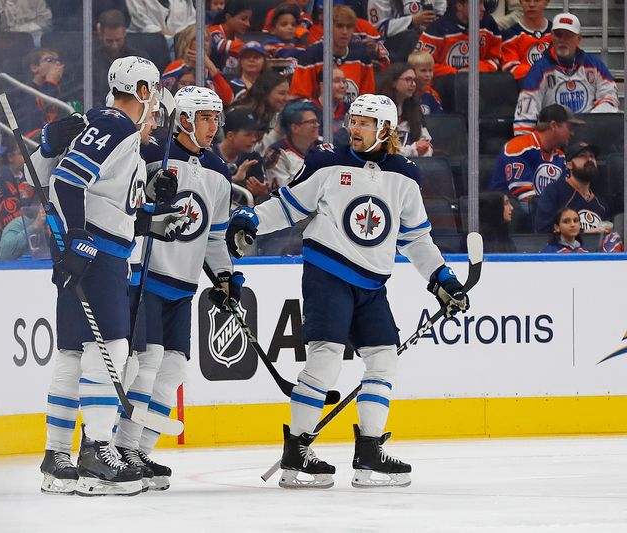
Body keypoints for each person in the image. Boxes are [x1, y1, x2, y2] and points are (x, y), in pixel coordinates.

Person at [225, 94, 469, 489]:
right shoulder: (326, 161)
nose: (353, 128)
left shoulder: (406, 174)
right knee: (325, 360)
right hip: (328, 273)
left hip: (373, 283)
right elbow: (288, 207)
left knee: (384, 359)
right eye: (352, 121)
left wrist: (441, 277)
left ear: (385, 129)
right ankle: (298, 453)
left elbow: (416, 237)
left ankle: (370, 452)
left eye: (364, 123)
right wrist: (252, 217)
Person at [33, 56, 184, 497]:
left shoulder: (120, 134)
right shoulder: (117, 124)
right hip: (97, 254)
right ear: (142, 90)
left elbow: (92, 194)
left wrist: (148, 220)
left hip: (97, 250)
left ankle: (57, 454)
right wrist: (77, 237)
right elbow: (67, 182)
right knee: (111, 349)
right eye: (154, 96)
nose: (155, 108)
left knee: (73, 355)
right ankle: (97, 451)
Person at [111, 86, 235, 491]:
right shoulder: (149, 153)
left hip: (183, 285)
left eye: (216, 118)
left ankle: (141, 450)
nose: (212, 126)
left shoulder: (219, 171)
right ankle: (122, 447)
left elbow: (214, 237)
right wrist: (147, 195)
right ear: (183, 118)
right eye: (204, 117)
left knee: (173, 368)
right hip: (143, 276)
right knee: (144, 366)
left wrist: (225, 276)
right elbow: (123, 206)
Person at [513, 13, 619, 135]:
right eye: (558, 35)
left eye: (568, 35)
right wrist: (526, 145)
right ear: (552, 36)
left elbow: (610, 98)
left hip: (589, 135)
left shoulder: (594, 65)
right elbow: (526, 112)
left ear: (579, 38)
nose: (562, 40)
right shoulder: (539, 70)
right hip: (553, 139)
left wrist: (591, 123)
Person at [290, 5, 389, 102]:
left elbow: (368, 98)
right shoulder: (312, 55)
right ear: (327, 28)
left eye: (349, 27)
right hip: (318, 115)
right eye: (339, 26)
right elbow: (299, 98)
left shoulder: (361, 55)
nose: (345, 32)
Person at [491, 104, 579, 203]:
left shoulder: (560, 156)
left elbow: (565, 196)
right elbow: (526, 199)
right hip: (511, 210)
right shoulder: (519, 147)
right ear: (553, 125)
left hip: (542, 212)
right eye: (570, 128)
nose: (572, 133)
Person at [534, 141, 611, 234]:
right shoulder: (554, 192)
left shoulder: (601, 204)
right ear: (569, 165)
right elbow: (543, 229)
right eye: (583, 156)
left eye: (592, 156)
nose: (589, 159)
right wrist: (584, 232)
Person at [415, 0, 502, 79]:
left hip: (480, 82)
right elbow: (422, 65)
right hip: (445, 87)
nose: (483, 8)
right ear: (460, 5)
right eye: (478, 4)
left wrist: (474, 69)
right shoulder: (437, 28)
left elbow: (495, 60)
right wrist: (456, 73)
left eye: (483, 3)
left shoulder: (489, 25)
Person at [162, 25, 234, 105]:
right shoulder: (175, 67)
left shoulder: (212, 71)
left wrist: (210, 66)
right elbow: (163, 99)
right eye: (198, 39)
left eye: (206, 40)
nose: (203, 43)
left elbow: (228, 99)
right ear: (187, 42)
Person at [93, 10, 148, 106]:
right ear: (101, 34)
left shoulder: (139, 60)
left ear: (124, 33)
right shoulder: (90, 62)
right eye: (109, 41)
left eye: (118, 40)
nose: (114, 45)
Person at [264, 101, 321, 193]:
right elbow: (284, 193)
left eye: (317, 121)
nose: (317, 125)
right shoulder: (277, 153)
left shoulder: (323, 146)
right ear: (295, 128)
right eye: (312, 122)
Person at [212, 107, 266, 203]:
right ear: (230, 136)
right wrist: (235, 179)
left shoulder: (254, 159)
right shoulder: (209, 155)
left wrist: (263, 192)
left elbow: (262, 191)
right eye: (248, 134)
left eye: (255, 134)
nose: (254, 139)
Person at [379, 63, 433, 158]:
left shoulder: (415, 109)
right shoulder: (379, 109)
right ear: (393, 82)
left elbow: (427, 143)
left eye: (414, 80)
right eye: (408, 80)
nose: (413, 84)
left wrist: (424, 149)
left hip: (412, 164)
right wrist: (413, 150)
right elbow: (382, 150)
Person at [366, 0, 446, 62]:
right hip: (392, 47)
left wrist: (432, 23)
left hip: (428, 39)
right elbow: (378, 29)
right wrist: (411, 21)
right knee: (411, 36)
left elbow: (442, 16)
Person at [232, 71, 291, 155]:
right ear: (265, 93)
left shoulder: (277, 114)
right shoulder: (241, 115)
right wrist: (277, 131)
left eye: (288, 93)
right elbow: (252, 153)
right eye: (281, 93)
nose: (287, 98)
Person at [13, 48, 65, 137]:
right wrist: (51, 82)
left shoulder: (64, 87)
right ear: (34, 68)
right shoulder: (24, 91)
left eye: (58, 60)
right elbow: (42, 108)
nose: (57, 64)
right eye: (50, 60)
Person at [501, 0, 552, 81]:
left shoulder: (557, 33)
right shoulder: (509, 36)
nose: (531, 4)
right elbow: (511, 69)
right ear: (520, 2)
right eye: (527, 0)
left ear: (547, 2)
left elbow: (569, 63)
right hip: (523, 89)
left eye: (537, 0)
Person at [208, 0, 253, 76]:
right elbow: (222, 45)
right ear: (228, 17)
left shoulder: (238, 43)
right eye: (243, 19)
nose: (248, 24)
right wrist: (256, 48)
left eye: (249, 20)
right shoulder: (212, 31)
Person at [262, 3, 307, 68]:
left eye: (293, 25)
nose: (290, 27)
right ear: (272, 30)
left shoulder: (300, 45)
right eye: (284, 24)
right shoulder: (268, 47)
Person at [408, 50, 444, 115]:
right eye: (423, 70)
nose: (428, 74)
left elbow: (438, 120)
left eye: (430, 70)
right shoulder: (403, 94)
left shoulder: (433, 95)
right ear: (411, 71)